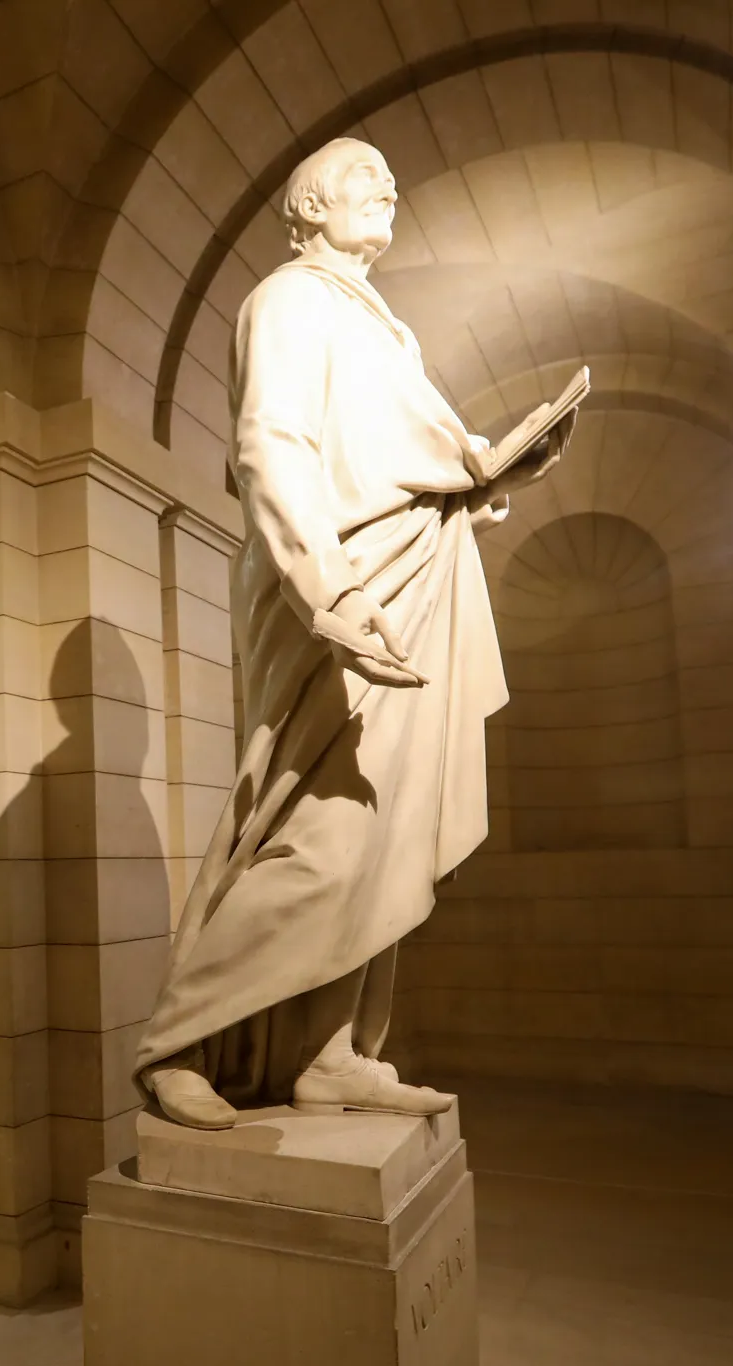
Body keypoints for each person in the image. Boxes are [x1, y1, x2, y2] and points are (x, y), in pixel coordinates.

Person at [136, 136, 576, 1131]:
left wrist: (497, 468)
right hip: (341, 589)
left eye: (390, 178)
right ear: (309, 204)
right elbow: (269, 445)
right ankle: (177, 1038)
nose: (387, 187)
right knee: (319, 833)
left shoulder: (386, 330)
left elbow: (410, 459)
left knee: (384, 829)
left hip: (413, 581)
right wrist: (323, 585)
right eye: (363, 177)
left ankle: (331, 1053)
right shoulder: (287, 301)